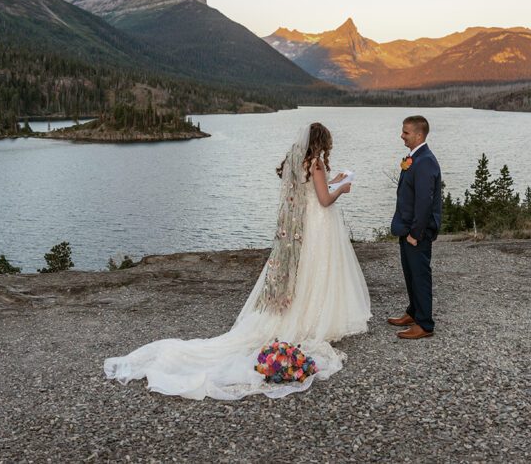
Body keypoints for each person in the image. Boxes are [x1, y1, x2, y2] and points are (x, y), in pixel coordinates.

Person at [104, 123, 371, 400]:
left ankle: (303, 313)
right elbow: (324, 199)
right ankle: (314, 318)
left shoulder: (299, 160)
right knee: (318, 272)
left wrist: (332, 180)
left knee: (305, 272)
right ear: (322, 141)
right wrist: (342, 188)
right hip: (317, 227)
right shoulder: (316, 163)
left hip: (303, 227)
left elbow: (311, 193)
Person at [387, 115, 442, 339]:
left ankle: (425, 324)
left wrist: (415, 233)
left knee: (419, 274)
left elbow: (424, 202)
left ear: (419, 135)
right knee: (410, 273)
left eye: (406, 132)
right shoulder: (415, 158)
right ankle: (413, 312)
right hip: (406, 228)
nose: (402, 135)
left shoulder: (426, 160)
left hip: (416, 231)